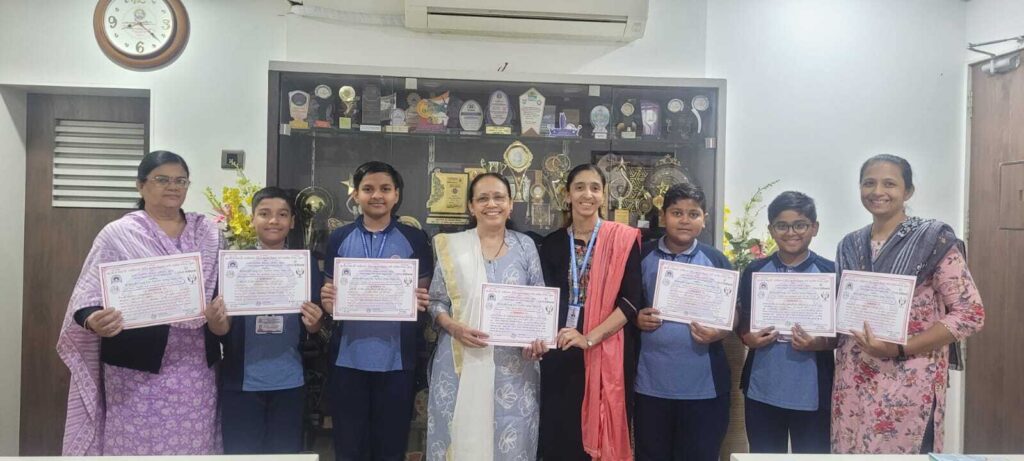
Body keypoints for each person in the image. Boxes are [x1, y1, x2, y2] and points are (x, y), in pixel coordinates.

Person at [56, 150, 222, 455]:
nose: (173, 187)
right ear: (140, 185)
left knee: (194, 444)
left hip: (195, 368)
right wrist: (93, 320)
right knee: (134, 448)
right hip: (135, 372)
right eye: (162, 179)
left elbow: (220, 293)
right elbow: (86, 297)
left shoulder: (207, 232)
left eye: (181, 180)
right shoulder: (118, 234)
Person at [832, 154, 985, 454]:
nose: (878, 191)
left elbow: (971, 313)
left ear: (908, 191)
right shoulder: (849, 244)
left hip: (908, 380)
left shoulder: (933, 241)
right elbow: (840, 312)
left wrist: (900, 348)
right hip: (853, 380)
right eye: (869, 183)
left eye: (889, 184)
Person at [425, 173, 547, 460]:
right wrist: (455, 327)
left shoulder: (525, 246)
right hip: (460, 360)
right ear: (471, 206)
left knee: (511, 442)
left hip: (514, 369)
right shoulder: (452, 247)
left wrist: (535, 342)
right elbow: (436, 302)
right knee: (458, 436)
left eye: (499, 197)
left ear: (510, 204)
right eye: (483, 198)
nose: (492, 204)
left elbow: (539, 303)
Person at [320, 161, 432, 461]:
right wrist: (328, 302)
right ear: (355, 194)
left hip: (397, 361)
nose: (377, 195)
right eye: (368, 189)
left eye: (385, 189)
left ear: (397, 195)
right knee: (349, 446)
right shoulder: (339, 237)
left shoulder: (415, 238)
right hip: (348, 359)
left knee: (391, 447)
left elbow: (422, 294)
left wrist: (419, 301)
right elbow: (330, 293)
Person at [537, 163, 643, 461]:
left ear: (604, 195)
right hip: (560, 349)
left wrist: (589, 338)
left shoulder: (622, 240)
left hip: (607, 348)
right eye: (579, 187)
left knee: (600, 434)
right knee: (561, 434)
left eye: (595, 188)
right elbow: (544, 299)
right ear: (567, 195)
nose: (587, 194)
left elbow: (630, 302)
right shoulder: (552, 243)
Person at [210, 186, 324, 454]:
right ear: (252, 219)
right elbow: (220, 329)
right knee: (242, 455)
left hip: (290, 381)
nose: (274, 221)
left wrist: (315, 323)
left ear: (292, 221)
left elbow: (315, 325)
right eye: (264, 213)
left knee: (284, 454)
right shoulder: (233, 265)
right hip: (242, 382)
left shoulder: (305, 265)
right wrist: (215, 320)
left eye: (282, 214)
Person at [633, 182, 733, 461]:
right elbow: (624, 303)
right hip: (650, 384)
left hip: (704, 388)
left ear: (704, 220)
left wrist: (720, 331)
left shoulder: (716, 259)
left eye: (693, 214)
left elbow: (734, 313)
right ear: (663, 216)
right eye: (677, 213)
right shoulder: (640, 256)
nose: (685, 220)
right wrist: (636, 317)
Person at [736, 191, 834, 454]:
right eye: (782, 226)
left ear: (814, 228)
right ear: (771, 229)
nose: (791, 233)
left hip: (813, 391)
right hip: (763, 387)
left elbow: (841, 334)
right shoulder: (755, 271)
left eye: (800, 225)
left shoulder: (830, 272)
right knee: (764, 456)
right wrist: (747, 338)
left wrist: (820, 343)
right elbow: (742, 320)